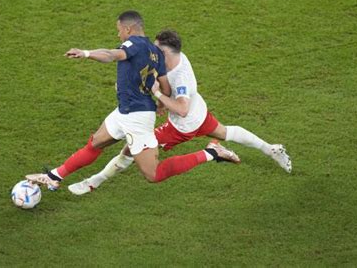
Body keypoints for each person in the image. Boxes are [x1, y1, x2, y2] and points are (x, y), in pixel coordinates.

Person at [26, 11, 239, 190]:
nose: (118, 33)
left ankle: (211, 153)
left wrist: (86, 53)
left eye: (119, 29)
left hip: (137, 118)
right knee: (96, 142)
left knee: (153, 174)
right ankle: (54, 177)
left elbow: (111, 55)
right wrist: (159, 103)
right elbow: (165, 86)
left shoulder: (133, 44)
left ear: (128, 29)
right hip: (126, 110)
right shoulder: (156, 52)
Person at [68, 29, 292, 195]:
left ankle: (93, 181)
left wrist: (158, 95)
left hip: (182, 125)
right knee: (225, 131)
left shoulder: (181, 77)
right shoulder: (171, 61)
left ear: (166, 51)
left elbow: (182, 109)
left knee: (131, 150)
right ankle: (270, 149)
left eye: (157, 49)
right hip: (199, 113)